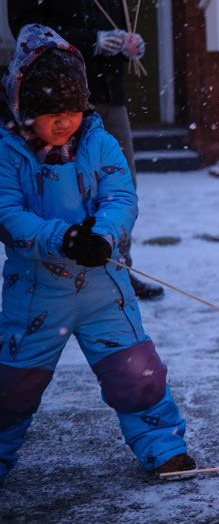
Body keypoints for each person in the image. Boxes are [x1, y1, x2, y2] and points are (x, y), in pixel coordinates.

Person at [0, 25, 192, 484]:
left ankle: (162, 446)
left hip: (105, 291)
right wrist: (61, 237)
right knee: (13, 387)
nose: (64, 122)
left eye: (72, 110)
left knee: (138, 374)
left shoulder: (98, 142)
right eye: (51, 114)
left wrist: (104, 235)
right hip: (36, 296)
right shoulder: (10, 153)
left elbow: (120, 197)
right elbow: (8, 213)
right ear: (25, 109)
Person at [7, 0, 163, 301]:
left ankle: (118, 268)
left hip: (109, 95)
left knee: (118, 184)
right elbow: (25, 27)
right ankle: (62, 271)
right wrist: (89, 40)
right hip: (56, 101)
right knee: (63, 188)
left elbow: (113, 20)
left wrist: (126, 43)